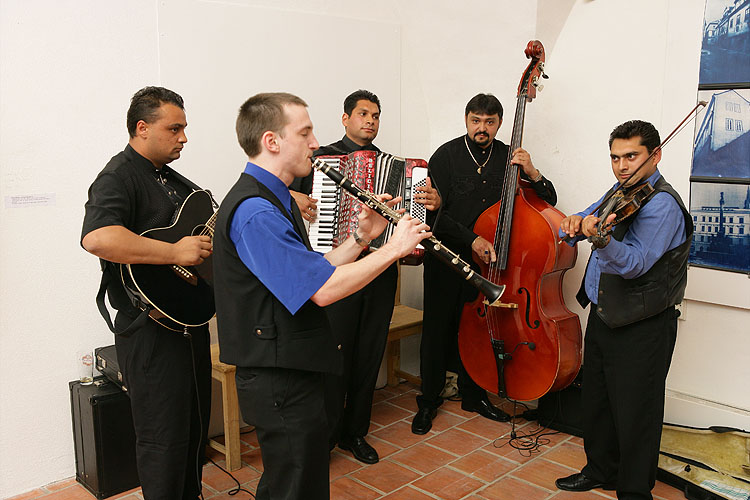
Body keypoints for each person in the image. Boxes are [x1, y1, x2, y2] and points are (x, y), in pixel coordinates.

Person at [212, 92, 430, 500]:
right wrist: (394, 249)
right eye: (305, 132)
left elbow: (313, 270)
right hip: (279, 376)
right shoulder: (256, 211)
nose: (315, 143)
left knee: (295, 483)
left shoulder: (272, 198)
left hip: (291, 368)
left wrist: (362, 237)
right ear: (272, 141)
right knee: (294, 486)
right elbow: (324, 290)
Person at [290, 89, 439, 464]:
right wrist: (296, 197)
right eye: (362, 114)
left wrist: (430, 204)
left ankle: (355, 433)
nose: (370, 120)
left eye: (375, 115)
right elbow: (281, 192)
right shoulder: (320, 161)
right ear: (345, 118)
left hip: (380, 270)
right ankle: (325, 436)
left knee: (369, 353)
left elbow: (414, 214)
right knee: (335, 353)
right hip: (336, 270)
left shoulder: (400, 168)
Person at [81, 86, 212, 500]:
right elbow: (98, 237)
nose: (183, 138)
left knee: (193, 433)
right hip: (149, 331)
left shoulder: (174, 179)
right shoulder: (118, 176)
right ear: (142, 128)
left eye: (185, 129)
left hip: (187, 324)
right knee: (162, 441)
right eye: (174, 129)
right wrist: (173, 251)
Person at [555, 120, 692, 500]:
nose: (621, 166)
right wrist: (573, 222)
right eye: (615, 158)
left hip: (643, 324)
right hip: (605, 314)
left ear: (656, 155)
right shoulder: (620, 191)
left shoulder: (662, 205)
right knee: (596, 401)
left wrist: (600, 239)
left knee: (636, 414)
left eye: (631, 156)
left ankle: (633, 491)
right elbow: (588, 216)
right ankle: (600, 469)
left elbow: (633, 264)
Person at [412, 93, 557, 434]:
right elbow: (434, 211)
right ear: (466, 120)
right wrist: (472, 239)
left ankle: (473, 395)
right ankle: (428, 401)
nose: (482, 128)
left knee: (476, 330)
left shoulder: (510, 157)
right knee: (436, 331)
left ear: (499, 123)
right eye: (476, 121)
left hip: (489, 265)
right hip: (447, 257)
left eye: (489, 122)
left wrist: (533, 172)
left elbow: (547, 200)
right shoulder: (445, 156)